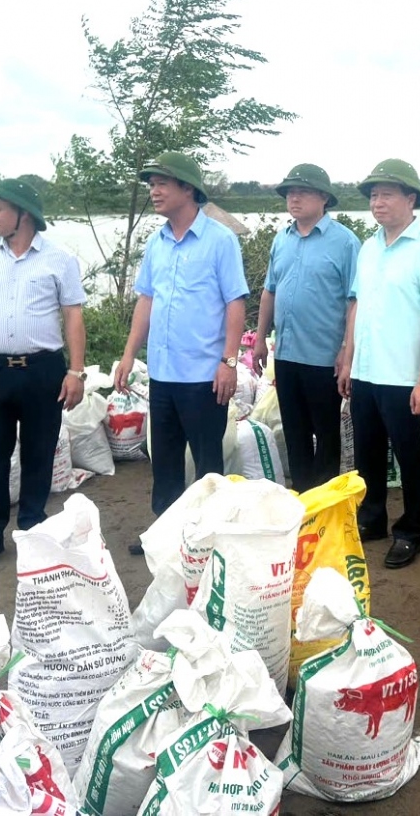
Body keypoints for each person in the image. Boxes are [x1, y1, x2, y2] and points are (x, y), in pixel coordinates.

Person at [0, 178, 87, 570]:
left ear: (24, 215)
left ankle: (32, 528)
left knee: (39, 452)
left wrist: (76, 371)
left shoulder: (58, 259)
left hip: (43, 370)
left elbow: (73, 316)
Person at [114, 152, 248, 550]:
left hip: (204, 375)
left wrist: (228, 361)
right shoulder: (156, 243)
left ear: (188, 189)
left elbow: (235, 303)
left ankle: (210, 538)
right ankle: (166, 533)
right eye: (151, 184)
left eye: (162, 184)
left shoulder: (219, 240)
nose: (154, 191)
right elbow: (146, 301)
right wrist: (127, 354)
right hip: (163, 372)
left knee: (208, 464)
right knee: (166, 459)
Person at [338, 159, 420, 569]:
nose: (377, 202)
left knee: (409, 456)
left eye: (385, 194)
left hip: (404, 376)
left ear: (410, 198)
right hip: (366, 372)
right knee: (367, 455)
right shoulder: (368, 247)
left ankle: (411, 530)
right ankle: (372, 520)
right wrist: (348, 359)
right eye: (372, 195)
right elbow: (358, 307)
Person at [253, 164, 360, 491]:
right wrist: (259, 339)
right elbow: (270, 289)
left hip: (324, 357)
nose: (293, 198)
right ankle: (301, 495)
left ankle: (324, 498)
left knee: (327, 433)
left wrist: (346, 350)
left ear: (324, 198)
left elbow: (355, 300)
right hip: (285, 354)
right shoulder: (281, 240)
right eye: (289, 192)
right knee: (294, 430)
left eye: (302, 191)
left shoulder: (345, 243)